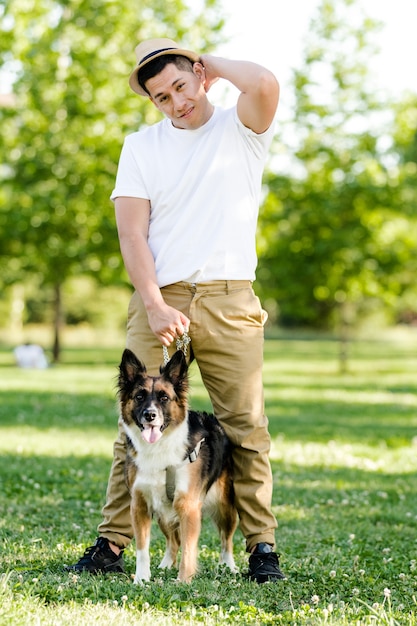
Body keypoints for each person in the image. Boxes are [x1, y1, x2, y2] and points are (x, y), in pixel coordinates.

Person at [66, 37, 284, 583]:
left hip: (231, 298)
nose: (175, 102)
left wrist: (209, 60)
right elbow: (132, 234)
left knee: (246, 428)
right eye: (160, 97)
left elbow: (263, 84)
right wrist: (156, 304)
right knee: (136, 428)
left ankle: (262, 549)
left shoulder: (241, 130)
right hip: (159, 298)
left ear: (199, 73)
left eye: (180, 86)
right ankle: (113, 545)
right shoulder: (140, 147)